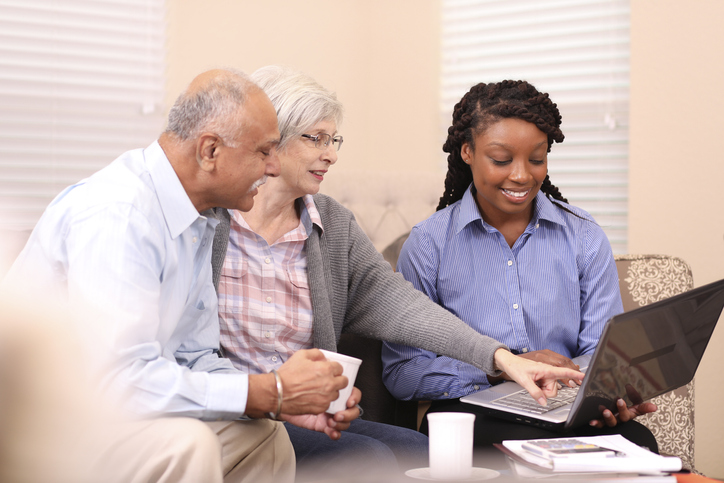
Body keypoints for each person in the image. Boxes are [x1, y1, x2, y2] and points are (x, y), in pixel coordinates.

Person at [210, 66, 586, 479]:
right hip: (232, 416)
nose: (331, 154)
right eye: (315, 138)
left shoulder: (332, 225)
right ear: (271, 139)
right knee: (370, 460)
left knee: (423, 452)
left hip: (305, 416)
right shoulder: (209, 224)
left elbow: (405, 307)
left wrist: (500, 359)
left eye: (333, 140)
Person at [2, 68, 358, 483]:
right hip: (39, 429)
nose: (274, 166)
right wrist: (269, 391)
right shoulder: (120, 215)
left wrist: (281, 404)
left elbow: (195, 356)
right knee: (187, 443)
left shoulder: (198, 219)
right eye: (264, 151)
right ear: (210, 151)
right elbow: (118, 381)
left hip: (108, 417)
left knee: (265, 435)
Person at [381, 80, 659, 451]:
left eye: (536, 158)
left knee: (640, 442)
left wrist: (609, 396)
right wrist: (501, 367)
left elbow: (600, 354)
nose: (522, 175)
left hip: (566, 407)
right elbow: (402, 373)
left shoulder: (584, 236)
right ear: (467, 151)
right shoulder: (429, 245)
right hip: (473, 413)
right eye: (501, 159)